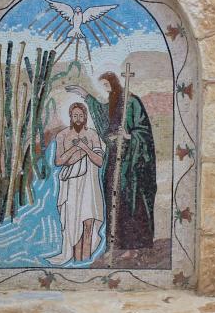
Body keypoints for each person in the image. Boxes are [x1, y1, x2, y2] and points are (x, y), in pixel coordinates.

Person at [66, 71, 156, 259]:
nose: (106, 90)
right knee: (112, 199)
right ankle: (115, 245)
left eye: (107, 85)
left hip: (131, 164)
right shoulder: (114, 103)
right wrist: (86, 95)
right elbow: (103, 118)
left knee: (129, 201)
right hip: (114, 159)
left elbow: (144, 132)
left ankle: (133, 247)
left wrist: (128, 136)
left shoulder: (132, 102)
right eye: (103, 86)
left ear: (114, 83)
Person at [46, 103, 106, 264]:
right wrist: (75, 149)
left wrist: (85, 148)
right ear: (70, 117)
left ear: (85, 117)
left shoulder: (93, 135)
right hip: (71, 185)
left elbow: (99, 161)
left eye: (81, 116)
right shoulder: (63, 135)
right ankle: (77, 261)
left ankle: (85, 260)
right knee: (74, 225)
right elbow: (59, 161)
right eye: (75, 116)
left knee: (88, 222)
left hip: (89, 185)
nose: (78, 119)